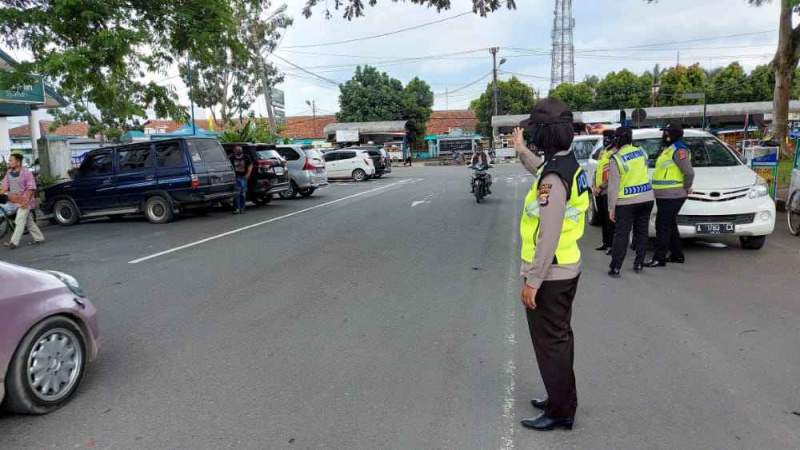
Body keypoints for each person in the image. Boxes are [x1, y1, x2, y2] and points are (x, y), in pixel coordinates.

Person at [513, 98, 590, 431]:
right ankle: (561, 398)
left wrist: (533, 280)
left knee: (550, 345)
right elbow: (541, 171)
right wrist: (519, 150)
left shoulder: (554, 178)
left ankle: (560, 412)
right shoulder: (567, 164)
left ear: (546, 135)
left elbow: (548, 234)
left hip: (551, 273)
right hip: (567, 265)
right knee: (560, 339)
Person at [607, 127, 654, 278]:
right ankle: (639, 263)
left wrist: (611, 208)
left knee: (621, 234)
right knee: (642, 232)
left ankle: (615, 268)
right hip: (646, 198)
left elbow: (613, 186)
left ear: (617, 139)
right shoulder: (642, 152)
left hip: (626, 202)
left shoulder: (617, 158)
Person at [645, 123, 694, 267]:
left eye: (666, 133)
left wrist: (686, 187)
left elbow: (689, 172)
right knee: (670, 225)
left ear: (673, 134)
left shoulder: (679, 150)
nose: (664, 135)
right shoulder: (669, 149)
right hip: (664, 195)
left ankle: (659, 258)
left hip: (673, 195)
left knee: (662, 225)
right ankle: (677, 255)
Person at [1, 153, 45, 249]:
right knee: (29, 222)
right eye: (9, 160)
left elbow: (31, 188)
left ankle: (13, 242)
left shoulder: (26, 173)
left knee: (20, 220)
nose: (9, 162)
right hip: (15, 201)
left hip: (26, 201)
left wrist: (25, 201)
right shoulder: (9, 173)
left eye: (11, 160)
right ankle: (39, 238)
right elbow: (4, 185)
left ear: (18, 162)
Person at [592, 130, 617, 254]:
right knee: (602, 218)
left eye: (608, 138)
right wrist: (593, 185)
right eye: (604, 138)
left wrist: (600, 187)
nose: (605, 140)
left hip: (607, 190)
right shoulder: (603, 152)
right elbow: (598, 170)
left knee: (609, 220)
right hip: (599, 190)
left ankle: (611, 245)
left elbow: (611, 175)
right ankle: (605, 242)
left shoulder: (614, 153)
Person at [229, 145, 252, 214]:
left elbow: (250, 165)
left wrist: (248, 174)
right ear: (234, 150)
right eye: (237, 149)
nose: (238, 151)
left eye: (240, 149)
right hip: (236, 177)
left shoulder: (246, 157)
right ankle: (237, 208)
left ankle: (242, 208)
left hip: (244, 177)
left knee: (243, 193)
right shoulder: (232, 157)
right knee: (237, 193)